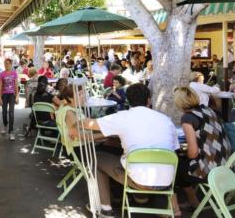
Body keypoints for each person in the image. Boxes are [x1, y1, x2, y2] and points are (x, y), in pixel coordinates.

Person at [70, 83, 179, 218]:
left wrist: (72, 118)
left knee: (96, 158)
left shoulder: (122, 117)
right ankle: (141, 198)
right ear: (149, 99)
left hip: (137, 180)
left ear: (128, 100)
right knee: (134, 158)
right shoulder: (166, 120)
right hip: (167, 181)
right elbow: (174, 151)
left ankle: (105, 209)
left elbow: (88, 123)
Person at [171, 87, 231, 215]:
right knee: (182, 167)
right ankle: (193, 202)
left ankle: (176, 210)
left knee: (175, 169)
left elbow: (193, 153)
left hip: (210, 170)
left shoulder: (188, 118)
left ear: (178, 102)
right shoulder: (209, 110)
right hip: (225, 165)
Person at [0, 59, 19, 141]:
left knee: (11, 112)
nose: (6, 65)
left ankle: (11, 131)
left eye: (8, 64)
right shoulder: (2, 74)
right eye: (5, 63)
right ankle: (5, 124)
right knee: (4, 112)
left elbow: (16, 85)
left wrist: (17, 96)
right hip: (4, 94)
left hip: (12, 95)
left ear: (11, 64)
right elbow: (0, 86)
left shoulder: (14, 73)